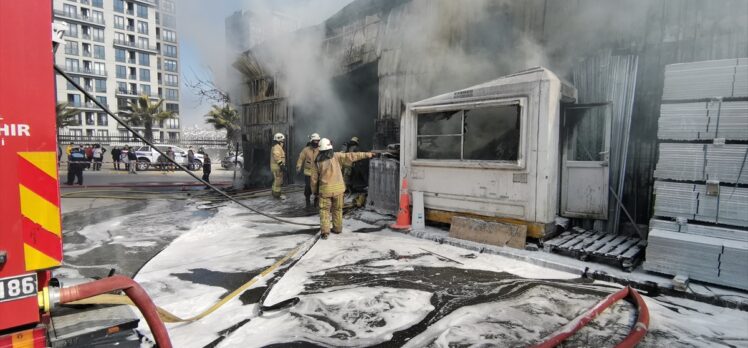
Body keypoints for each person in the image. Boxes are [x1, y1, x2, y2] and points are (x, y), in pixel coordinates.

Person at [310, 138, 374, 239]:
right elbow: (352, 156)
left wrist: (314, 192)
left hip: (325, 191)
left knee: (324, 211)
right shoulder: (337, 156)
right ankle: (337, 228)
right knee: (338, 209)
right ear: (330, 147)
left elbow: (313, 180)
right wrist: (368, 154)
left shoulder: (317, 161)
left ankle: (325, 232)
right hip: (339, 190)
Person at [296, 133, 321, 209]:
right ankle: (307, 201)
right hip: (308, 173)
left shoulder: (321, 149)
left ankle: (316, 201)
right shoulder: (306, 150)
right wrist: (298, 167)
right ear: (311, 141)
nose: (316, 142)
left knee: (318, 187)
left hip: (317, 172)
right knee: (308, 187)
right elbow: (301, 158)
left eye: (318, 141)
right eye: (315, 141)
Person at [270, 133, 287, 199]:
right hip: (277, 167)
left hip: (277, 167)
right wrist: (281, 165)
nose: (283, 141)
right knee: (278, 181)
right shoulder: (277, 147)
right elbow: (277, 157)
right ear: (279, 139)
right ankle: (276, 195)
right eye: (282, 140)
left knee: (277, 181)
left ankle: (276, 194)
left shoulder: (278, 146)